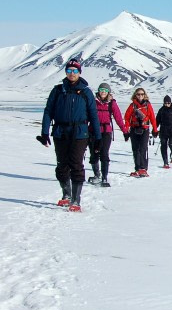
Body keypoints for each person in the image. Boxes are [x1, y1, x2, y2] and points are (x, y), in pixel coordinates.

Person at [38, 59, 101, 212]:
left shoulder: (86, 92)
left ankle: (76, 200)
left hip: (80, 133)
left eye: (75, 71)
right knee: (61, 165)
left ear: (79, 73)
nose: (72, 73)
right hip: (60, 132)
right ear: (66, 72)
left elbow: (93, 116)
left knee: (76, 164)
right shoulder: (58, 90)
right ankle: (66, 194)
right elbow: (48, 111)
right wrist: (45, 132)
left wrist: (98, 137)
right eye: (69, 70)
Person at [88, 82, 127, 186]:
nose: (103, 92)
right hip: (92, 131)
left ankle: (104, 178)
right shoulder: (93, 102)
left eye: (105, 90)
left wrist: (125, 131)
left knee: (104, 154)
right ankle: (97, 175)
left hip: (106, 131)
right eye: (101, 90)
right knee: (93, 154)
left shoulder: (111, 103)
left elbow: (118, 117)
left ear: (108, 92)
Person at [123, 87, 158, 177]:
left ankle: (143, 168)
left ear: (144, 95)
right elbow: (127, 118)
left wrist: (155, 130)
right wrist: (126, 130)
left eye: (142, 94)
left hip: (144, 129)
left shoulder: (147, 105)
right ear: (135, 95)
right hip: (134, 129)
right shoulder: (132, 105)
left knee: (143, 148)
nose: (140, 96)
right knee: (135, 149)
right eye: (138, 94)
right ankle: (137, 168)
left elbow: (152, 118)